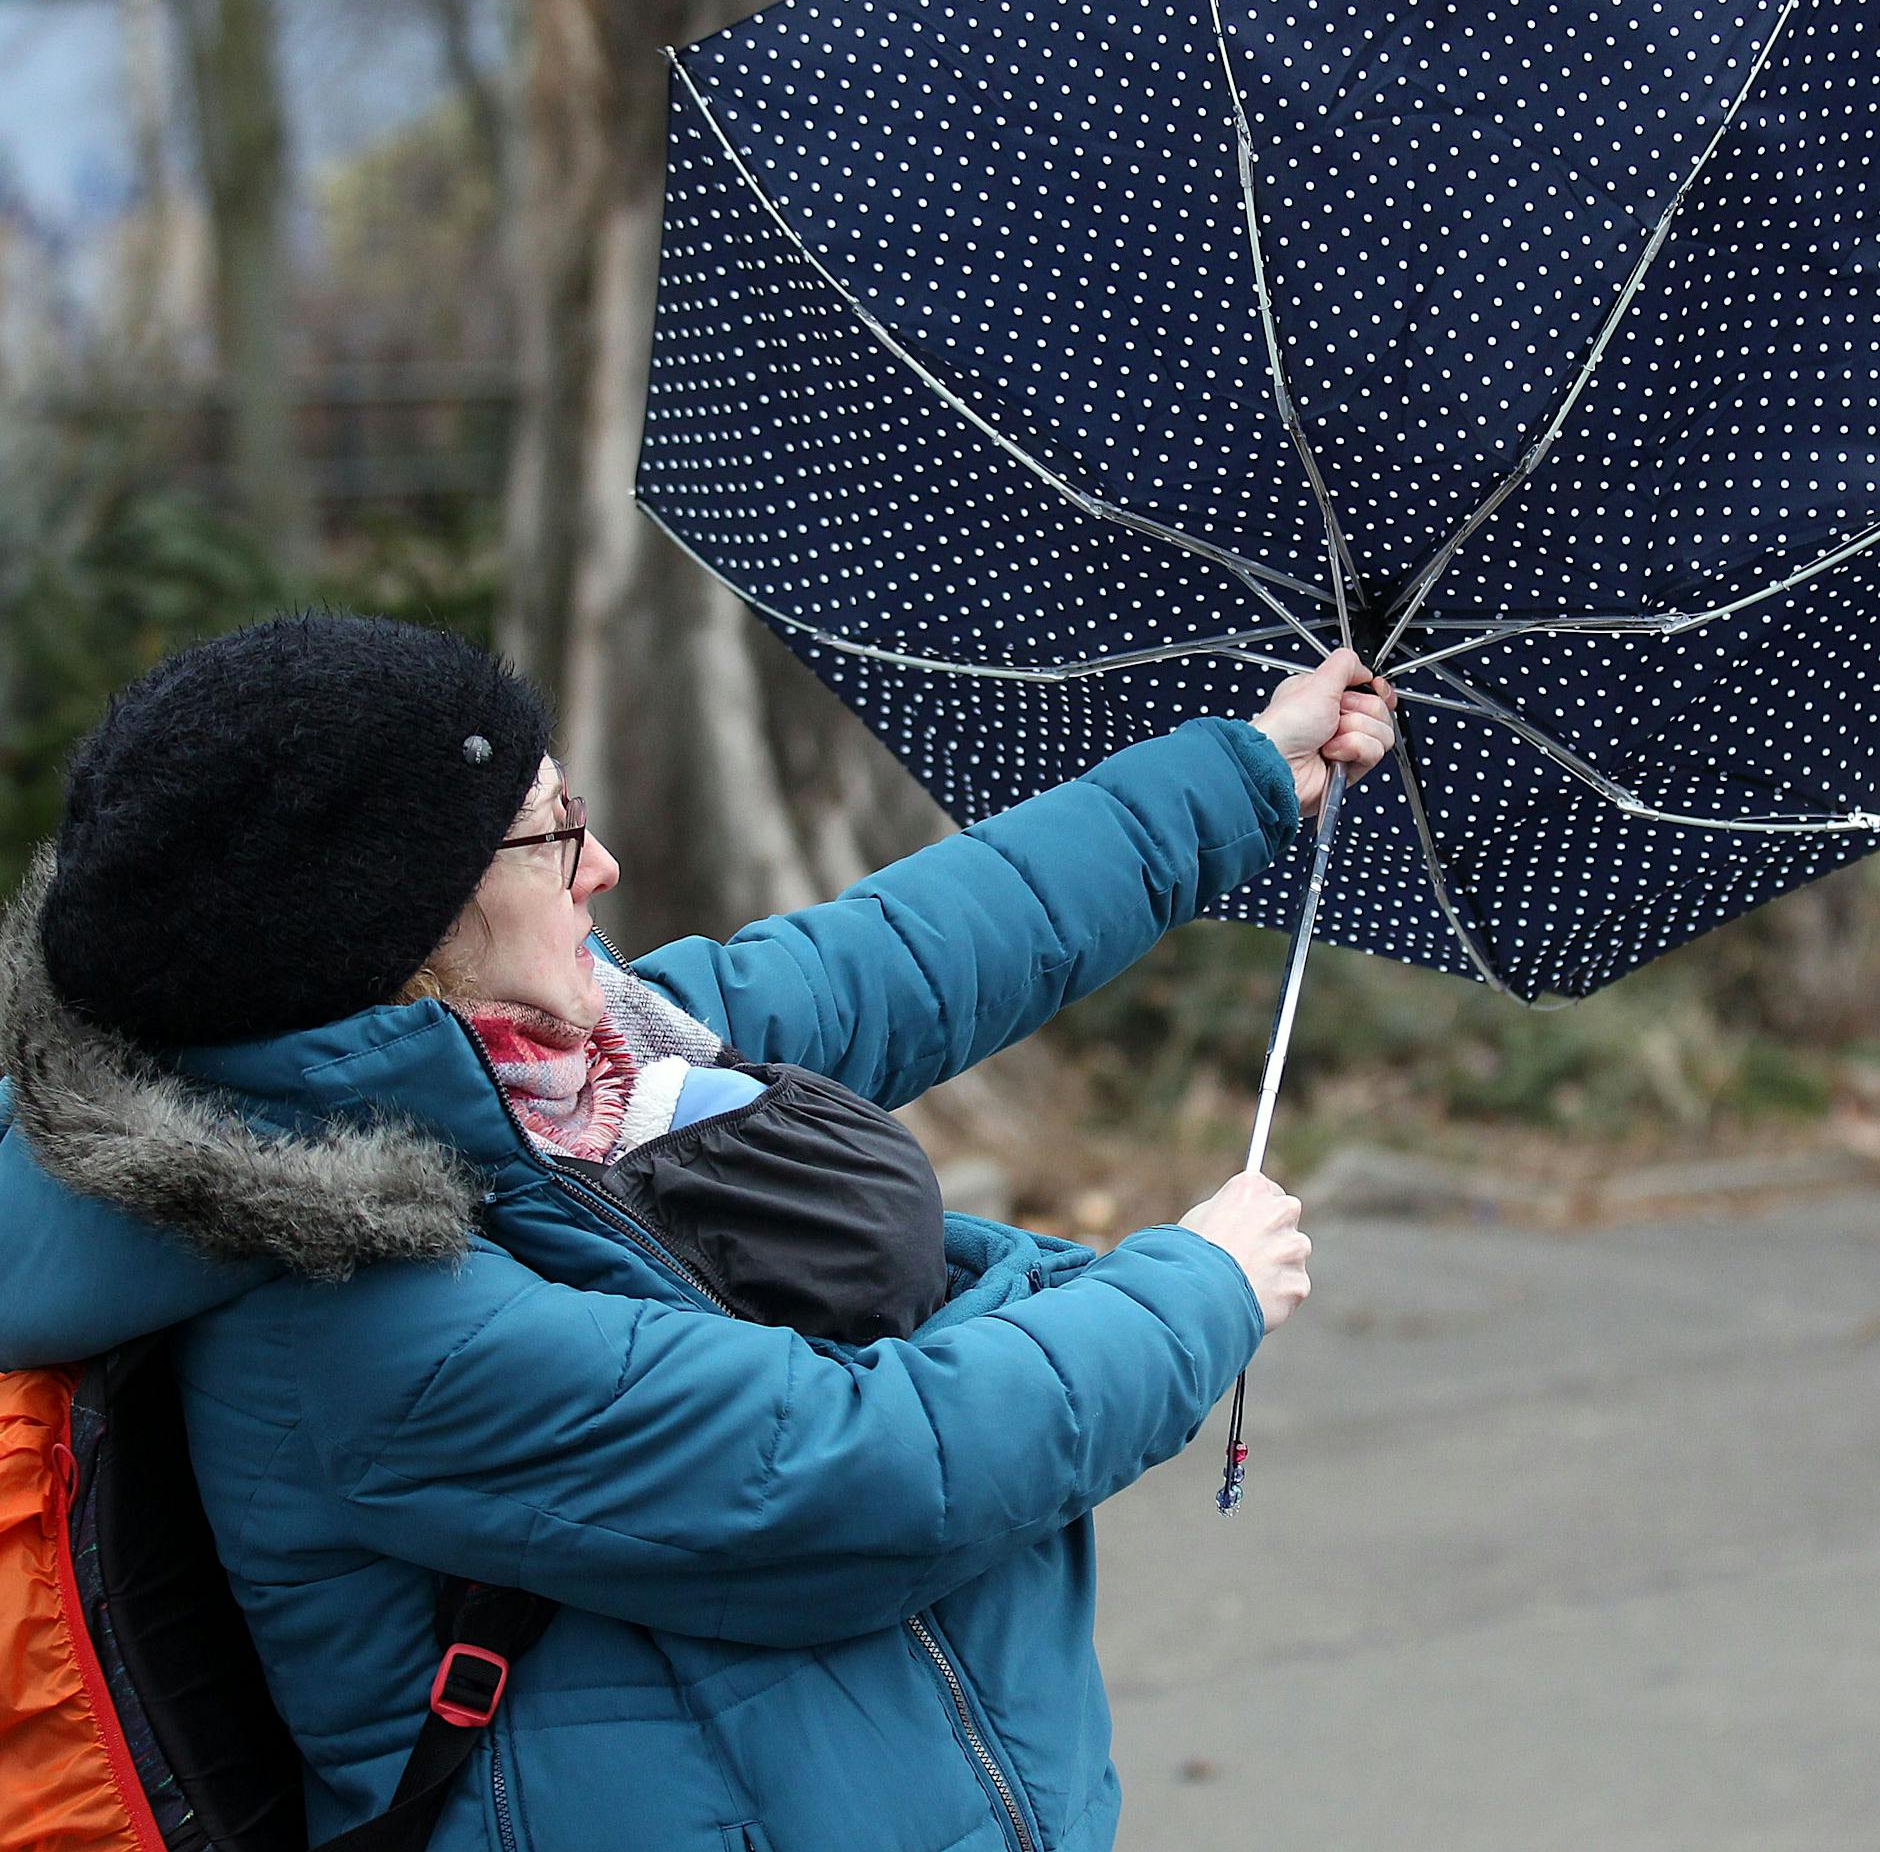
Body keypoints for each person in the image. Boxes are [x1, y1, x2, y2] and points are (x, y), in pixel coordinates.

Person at [0, 614, 1394, 1852]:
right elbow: (869, 1471)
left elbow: (914, 949)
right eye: (549, 837)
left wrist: (1245, 774)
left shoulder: (560, 1077)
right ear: (393, 930)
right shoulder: (358, 1315)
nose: (601, 863)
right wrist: (1196, 1291)